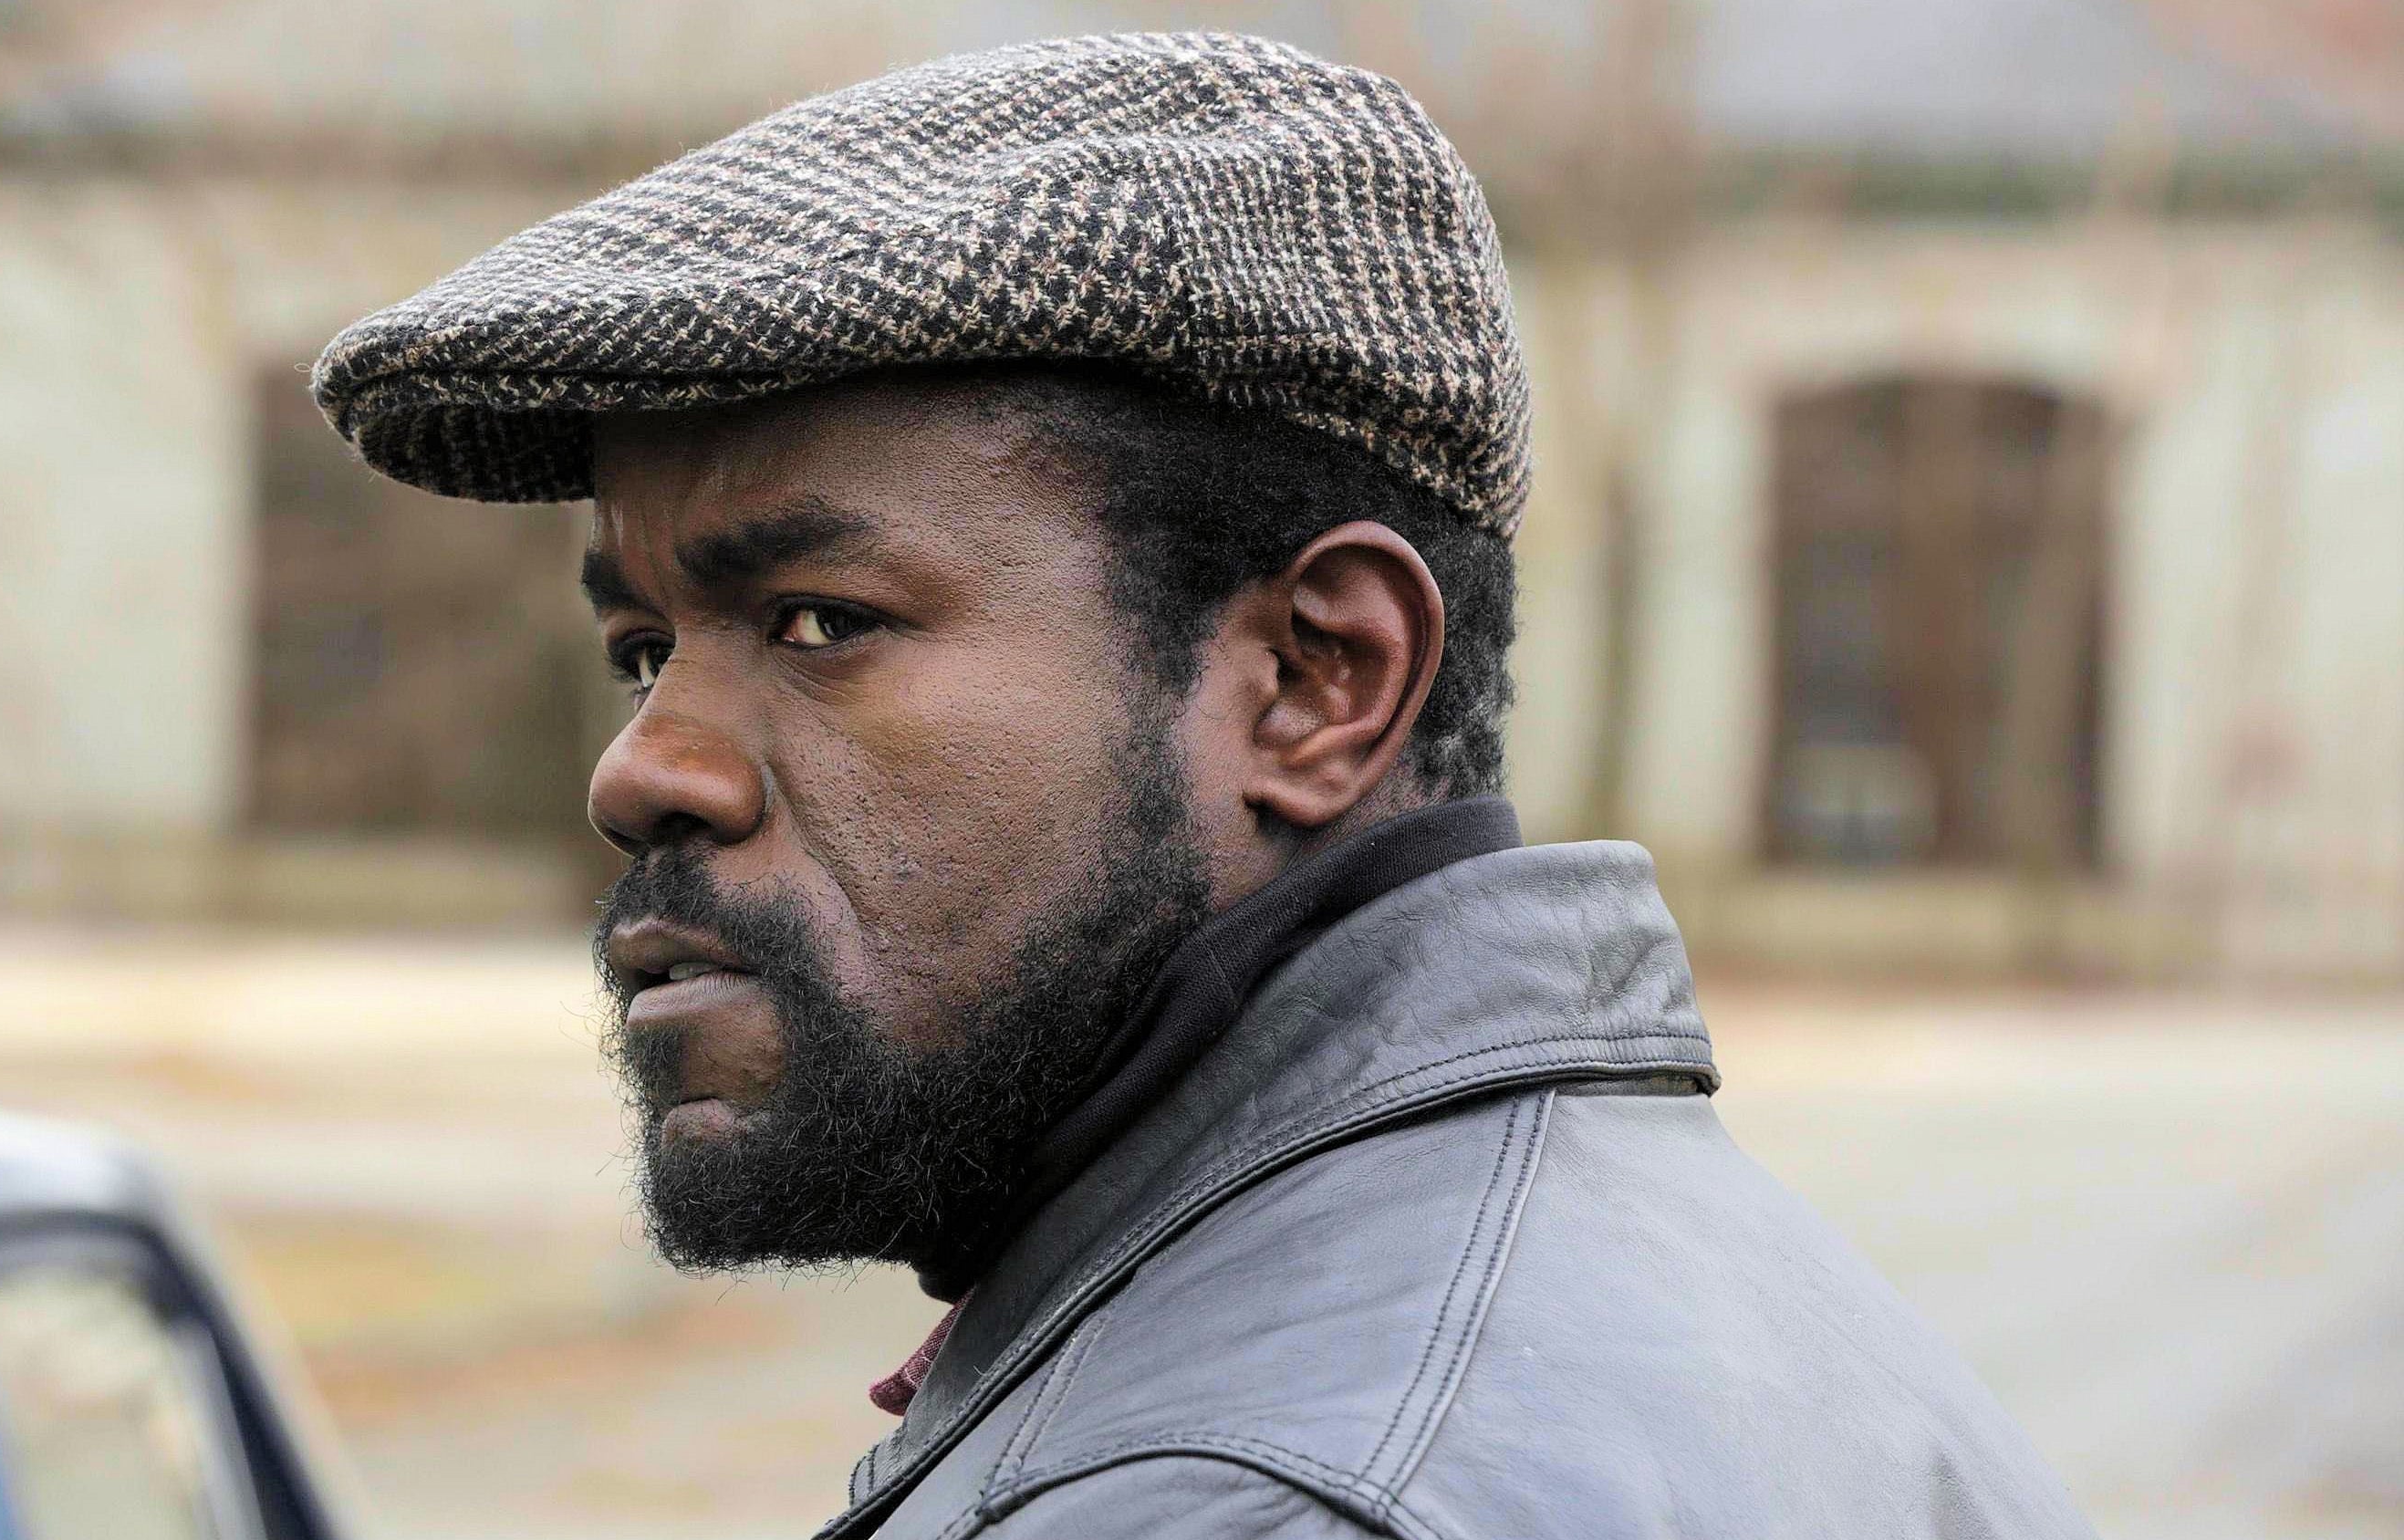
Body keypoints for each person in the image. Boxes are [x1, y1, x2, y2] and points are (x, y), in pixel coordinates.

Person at [315, 32, 2094, 1540]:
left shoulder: (1267, 1494)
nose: (645, 769)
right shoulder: (1676, 1288)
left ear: (1318, 682)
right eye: (645, 648)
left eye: (818, 622)